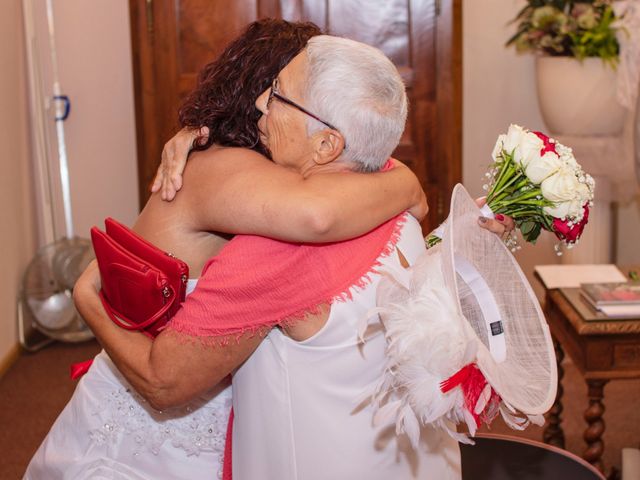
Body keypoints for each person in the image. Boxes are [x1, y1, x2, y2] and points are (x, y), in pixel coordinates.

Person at [73, 34, 513, 479]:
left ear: (327, 145)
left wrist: (85, 297)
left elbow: (163, 381)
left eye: (280, 93)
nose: (262, 102)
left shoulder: (276, 248)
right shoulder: (383, 187)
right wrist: (414, 188)